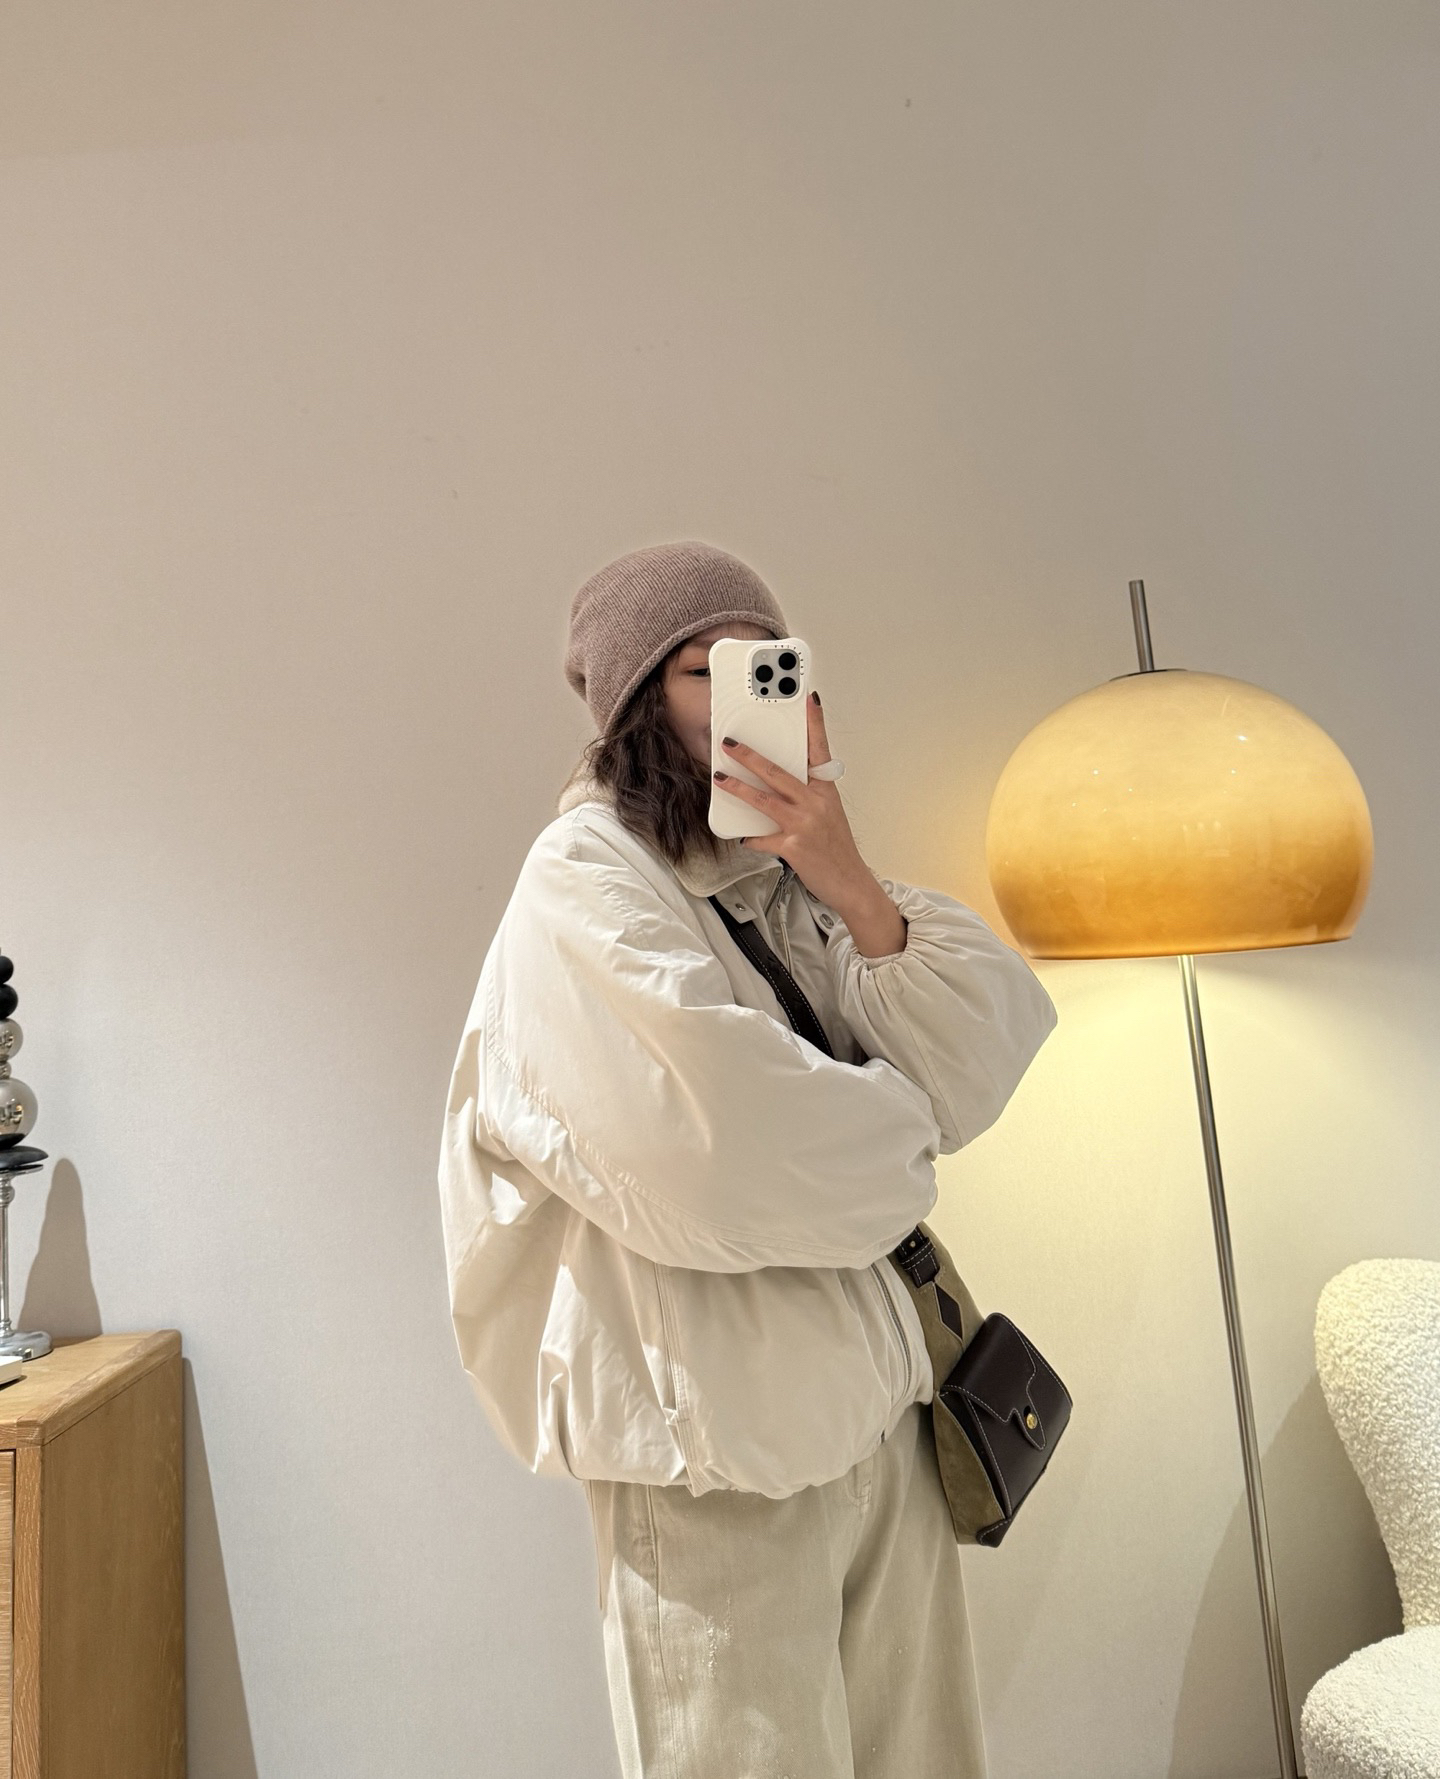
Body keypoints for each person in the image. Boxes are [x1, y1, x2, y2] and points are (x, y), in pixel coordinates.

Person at [437, 540, 1059, 1779]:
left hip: (886, 1430)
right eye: (701, 671)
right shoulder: (584, 881)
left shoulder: (777, 883)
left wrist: (846, 876)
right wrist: (905, 1132)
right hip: (716, 1463)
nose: (742, 698)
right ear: (634, 705)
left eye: (766, 666)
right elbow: (726, 1154)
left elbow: (981, 1054)